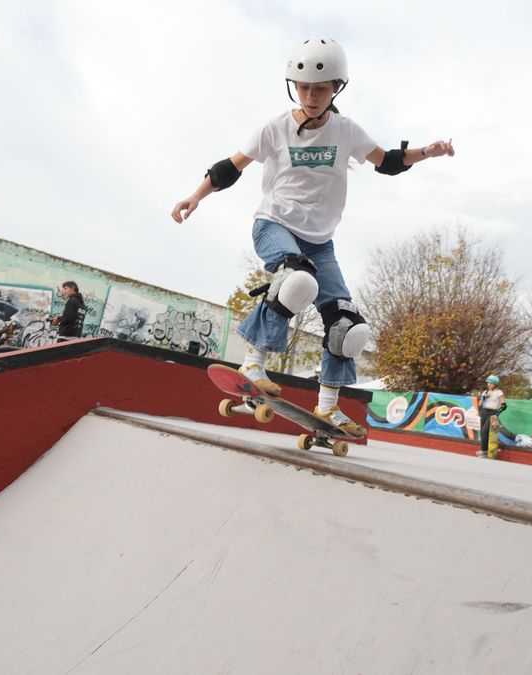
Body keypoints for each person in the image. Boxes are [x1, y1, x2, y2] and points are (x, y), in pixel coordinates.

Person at [170, 36, 454, 438]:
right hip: (274, 225)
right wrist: (195, 197)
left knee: (348, 325)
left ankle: (327, 410)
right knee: (297, 278)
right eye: (303, 87)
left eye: (320, 88)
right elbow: (229, 168)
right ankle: (253, 361)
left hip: (321, 243)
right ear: (294, 86)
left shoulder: (346, 131)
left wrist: (428, 151)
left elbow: (388, 162)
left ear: (336, 87)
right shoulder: (276, 128)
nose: (311, 95)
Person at [475, 375, 506, 459]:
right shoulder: (485, 392)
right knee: (482, 432)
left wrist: (496, 414)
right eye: (488, 383)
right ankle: (485, 450)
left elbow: (504, 406)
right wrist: (484, 397)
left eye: (491, 383)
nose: (489, 384)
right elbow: (479, 404)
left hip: (493, 412)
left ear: (495, 384)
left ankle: (484, 451)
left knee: (485, 431)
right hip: (484, 411)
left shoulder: (499, 392)